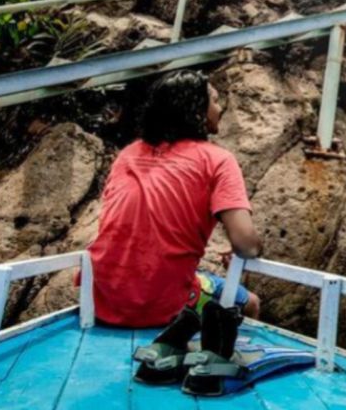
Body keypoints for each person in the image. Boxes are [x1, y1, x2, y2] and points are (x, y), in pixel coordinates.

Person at [87, 70, 262, 328]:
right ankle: (215, 359)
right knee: (251, 303)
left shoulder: (129, 153)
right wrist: (256, 246)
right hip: (159, 305)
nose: (220, 107)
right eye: (213, 100)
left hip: (101, 297)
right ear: (196, 110)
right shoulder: (217, 160)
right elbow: (246, 245)